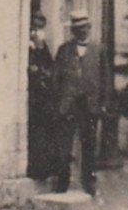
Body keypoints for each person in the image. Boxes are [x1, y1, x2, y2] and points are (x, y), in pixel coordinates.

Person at [52, 10, 111, 195]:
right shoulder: (64, 50)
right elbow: (56, 77)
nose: (82, 32)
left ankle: (89, 181)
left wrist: (104, 103)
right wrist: (59, 100)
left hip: (90, 105)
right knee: (64, 144)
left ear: (90, 28)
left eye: (84, 28)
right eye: (78, 29)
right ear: (73, 31)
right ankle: (62, 181)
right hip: (68, 104)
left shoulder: (99, 50)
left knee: (89, 144)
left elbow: (106, 79)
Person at [27, 11, 55, 180]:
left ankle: (42, 169)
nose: (37, 30)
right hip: (30, 95)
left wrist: (44, 72)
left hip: (42, 96)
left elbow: (50, 65)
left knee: (43, 132)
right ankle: (34, 168)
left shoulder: (43, 46)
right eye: (35, 26)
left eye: (40, 27)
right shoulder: (27, 45)